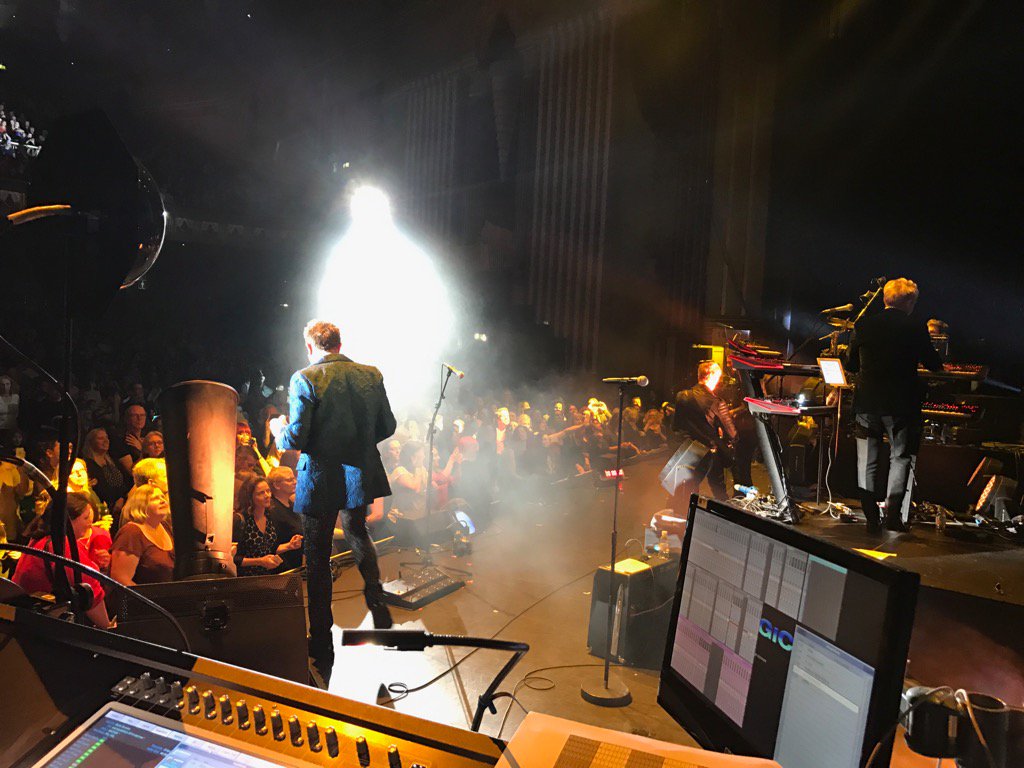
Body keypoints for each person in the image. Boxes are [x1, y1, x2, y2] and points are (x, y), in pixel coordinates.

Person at [270, 319, 397, 680]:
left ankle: (322, 642)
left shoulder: (305, 378)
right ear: (339, 344)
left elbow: (297, 436)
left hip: (320, 476)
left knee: (317, 556)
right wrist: (358, 442)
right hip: (360, 470)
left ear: (310, 346)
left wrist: (278, 430)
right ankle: (376, 599)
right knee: (357, 531)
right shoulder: (371, 374)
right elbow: (388, 426)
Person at [845, 278, 943, 533]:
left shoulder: (864, 324)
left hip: (867, 403)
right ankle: (892, 516)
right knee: (900, 458)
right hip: (901, 405)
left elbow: (851, 365)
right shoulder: (914, 326)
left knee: (867, 461)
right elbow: (933, 363)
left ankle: (870, 519)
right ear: (909, 301)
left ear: (885, 299)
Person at [12, 493, 114, 627]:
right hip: (44, 626)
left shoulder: (38, 540)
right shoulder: (60, 545)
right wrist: (107, 627)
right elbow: (89, 589)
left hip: (25, 619)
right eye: (85, 518)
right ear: (68, 520)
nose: (90, 524)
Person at [670, 361, 737, 506]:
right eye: (718, 377)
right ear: (712, 376)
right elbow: (732, 432)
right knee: (719, 490)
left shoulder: (682, 396)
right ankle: (722, 514)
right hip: (710, 451)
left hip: (687, 449)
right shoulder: (717, 402)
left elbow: (676, 426)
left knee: (685, 489)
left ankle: (683, 515)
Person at [232, 473, 302, 576]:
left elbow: (270, 549)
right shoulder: (240, 520)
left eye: (268, 491)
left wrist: (289, 546)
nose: (267, 495)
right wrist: (260, 561)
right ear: (250, 497)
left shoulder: (269, 516)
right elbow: (233, 558)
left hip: (267, 578)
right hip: (246, 580)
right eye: (261, 493)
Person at [109, 484, 175, 586]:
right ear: (141, 505)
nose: (163, 501)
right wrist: (145, 596)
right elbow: (120, 578)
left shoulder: (165, 526)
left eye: (163, 497)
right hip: (143, 595)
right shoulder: (131, 532)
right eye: (155, 498)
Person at [82, 428, 132, 515]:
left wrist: (121, 498)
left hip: (122, 505)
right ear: (91, 442)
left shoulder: (113, 461)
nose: (106, 441)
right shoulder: (87, 465)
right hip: (103, 510)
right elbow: (99, 489)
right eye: (101, 438)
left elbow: (127, 480)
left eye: (106, 437)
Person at [266, 466, 303, 571]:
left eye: (294, 478)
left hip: (295, 565)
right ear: (276, 485)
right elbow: (271, 546)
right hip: (281, 568)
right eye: (289, 480)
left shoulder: (292, 505)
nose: (295, 482)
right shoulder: (272, 510)